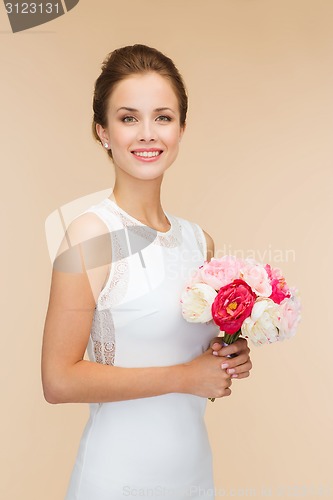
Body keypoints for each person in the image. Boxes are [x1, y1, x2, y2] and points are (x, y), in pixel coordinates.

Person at [41, 44, 252, 500]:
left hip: (192, 475)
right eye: (128, 117)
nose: (147, 134)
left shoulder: (200, 242)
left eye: (162, 116)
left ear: (181, 128)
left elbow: (197, 359)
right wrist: (185, 376)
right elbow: (57, 381)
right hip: (115, 480)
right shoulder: (90, 236)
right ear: (103, 131)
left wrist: (228, 354)